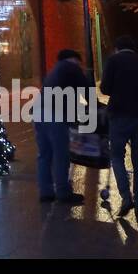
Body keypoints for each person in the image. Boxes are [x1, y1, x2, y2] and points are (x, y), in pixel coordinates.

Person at [99, 35, 138, 217]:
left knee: (117, 156)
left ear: (117, 48)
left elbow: (105, 88)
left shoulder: (113, 61)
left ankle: (126, 196)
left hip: (119, 117)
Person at [34, 49, 93, 205]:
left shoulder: (54, 70)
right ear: (74, 59)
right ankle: (63, 192)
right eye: (79, 62)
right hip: (55, 115)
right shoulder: (71, 67)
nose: (80, 65)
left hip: (38, 113)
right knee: (61, 155)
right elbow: (87, 91)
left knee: (44, 155)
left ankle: (45, 192)